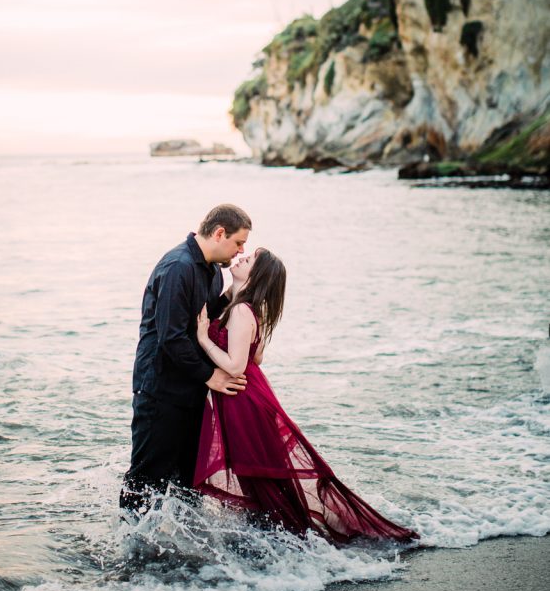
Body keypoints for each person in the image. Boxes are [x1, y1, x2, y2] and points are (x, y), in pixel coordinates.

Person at [194, 249, 419, 543]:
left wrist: (202, 338)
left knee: (259, 478)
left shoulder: (239, 311)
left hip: (243, 400)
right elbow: (256, 357)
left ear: (256, 276)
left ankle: (291, 546)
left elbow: (236, 366)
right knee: (263, 478)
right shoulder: (249, 309)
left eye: (248, 260)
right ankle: (288, 543)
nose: (241, 258)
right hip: (252, 395)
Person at [120, 204, 253, 513]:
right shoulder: (178, 267)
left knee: (188, 481)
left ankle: (182, 552)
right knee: (145, 479)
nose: (241, 250)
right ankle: (129, 551)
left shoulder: (212, 272)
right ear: (220, 233)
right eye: (238, 242)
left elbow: (203, 321)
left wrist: (235, 290)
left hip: (190, 389)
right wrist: (211, 376)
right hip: (160, 390)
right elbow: (172, 337)